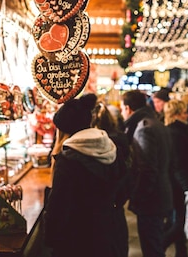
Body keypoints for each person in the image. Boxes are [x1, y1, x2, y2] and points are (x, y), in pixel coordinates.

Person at [44, 93, 127, 257]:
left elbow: (58, 209)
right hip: (110, 234)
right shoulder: (111, 147)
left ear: (63, 130)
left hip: (78, 241)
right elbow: (124, 188)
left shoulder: (68, 160)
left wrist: (49, 242)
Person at [120, 90, 173, 257]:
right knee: (154, 245)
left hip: (151, 200)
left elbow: (148, 169)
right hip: (159, 194)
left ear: (128, 108)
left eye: (122, 108)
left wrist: (138, 197)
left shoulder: (143, 128)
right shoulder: (154, 122)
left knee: (152, 248)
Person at [91, 102, 131, 257]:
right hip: (117, 205)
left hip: (103, 208)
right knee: (119, 245)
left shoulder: (96, 146)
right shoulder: (121, 139)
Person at [163, 99, 188, 257]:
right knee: (178, 223)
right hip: (176, 186)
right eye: (184, 112)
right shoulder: (175, 133)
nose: (187, 115)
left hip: (173, 184)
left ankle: (181, 253)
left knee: (177, 221)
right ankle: (158, 248)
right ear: (176, 115)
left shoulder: (174, 131)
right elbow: (177, 165)